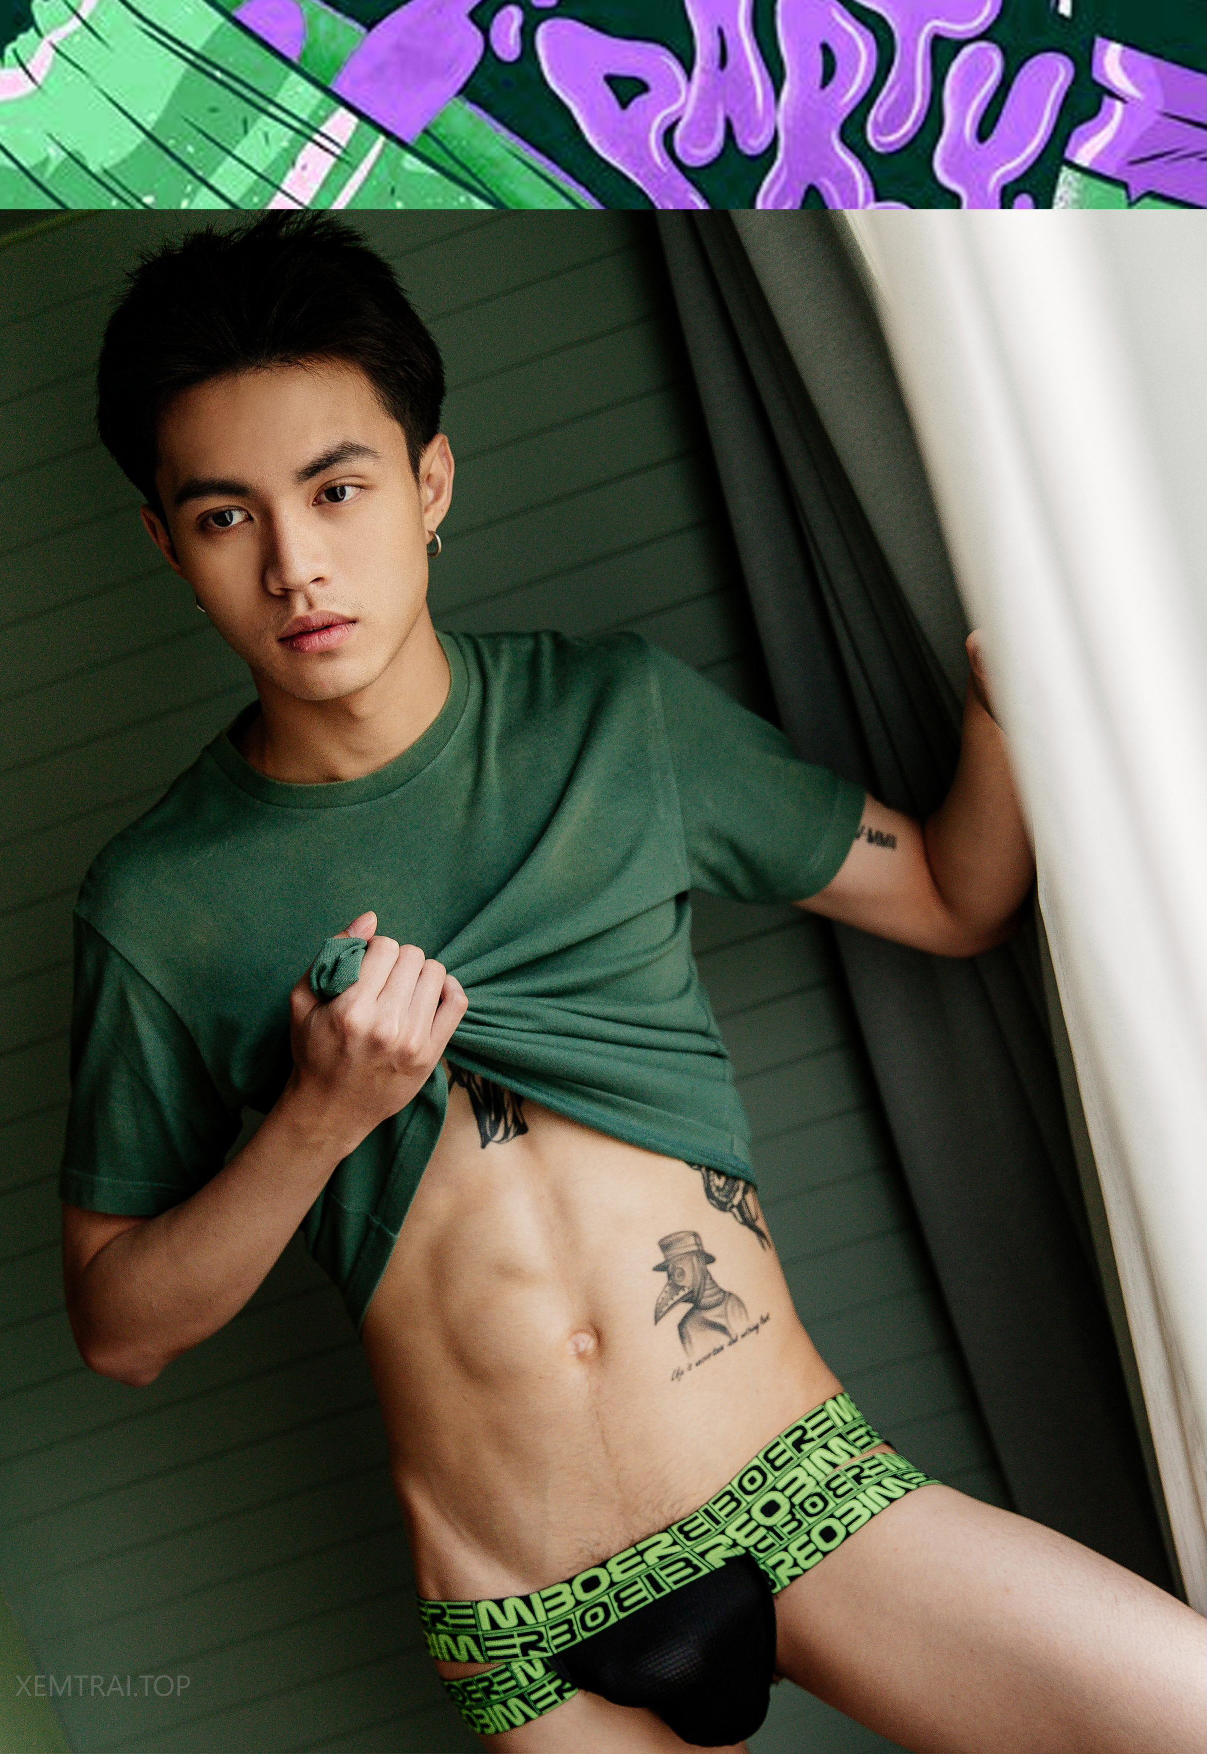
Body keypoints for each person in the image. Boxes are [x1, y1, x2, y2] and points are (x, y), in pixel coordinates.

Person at [59, 211, 1205, 1754]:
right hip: (521, 1621)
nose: (295, 563)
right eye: (224, 516)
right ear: (165, 542)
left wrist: (1018, 704)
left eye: (336, 488)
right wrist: (319, 1114)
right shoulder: (160, 898)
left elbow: (950, 894)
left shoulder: (616, 721)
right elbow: (121, 1325)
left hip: (796, 1492)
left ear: (428, 482)